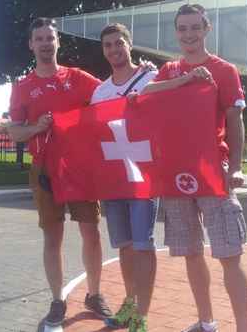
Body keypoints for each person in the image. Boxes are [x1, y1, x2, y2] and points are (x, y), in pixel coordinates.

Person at [142, 4, 247, 332]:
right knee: (191, 253)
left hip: (212, 171)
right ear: (176, 32)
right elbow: (144, 93)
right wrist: (185, 79)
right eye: (182, 29)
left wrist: (235, 166)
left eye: (194, 27)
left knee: (229, 253)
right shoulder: (169, 70)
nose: (188, 35)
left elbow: (235, 120)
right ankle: (206, 322)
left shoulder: (224, 70)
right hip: (175, 174)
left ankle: (243, 328)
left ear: (206, 29)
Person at [7, 17, 112, 327]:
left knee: (90, 232)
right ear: (31, 45)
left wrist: (139, 75)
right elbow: (14, 132)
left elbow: (113, 93)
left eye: (49, 38)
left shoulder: (78, 78)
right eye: (38, 38)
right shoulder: (23, 87)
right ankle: (57, 300)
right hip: (45, 171)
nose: (45, 43)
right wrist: (36, 127)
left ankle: (94, 295)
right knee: (52, 237)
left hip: (80, 167)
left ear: (58, 42)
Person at [90, 23, 158, 332]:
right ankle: (130, 305)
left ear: (129, 44)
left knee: (144, 244)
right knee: (126, 246)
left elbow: (163, 120)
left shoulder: (150, 78)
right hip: (113, 177)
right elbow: (93, 134)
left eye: (119, 43)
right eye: (108, 45)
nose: (114, 49)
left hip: (143, 174)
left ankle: (140, 316)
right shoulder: (100, 92)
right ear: (103, 50)